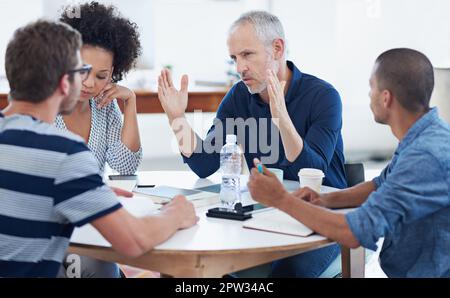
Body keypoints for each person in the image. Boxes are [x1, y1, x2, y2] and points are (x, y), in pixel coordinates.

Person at [0, 20, 198, 278]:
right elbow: (134, 241)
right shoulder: (65, 153)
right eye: (80, 71)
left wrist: (87, 189)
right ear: (64, 83)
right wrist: (175, 214)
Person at [157, 11, 346, 277]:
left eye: (247, 55)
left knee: (287, 272)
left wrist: (282, 118)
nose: (239, 68)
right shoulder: (239, 97)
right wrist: (177, 118)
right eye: (234, 58)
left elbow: (311, 172)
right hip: (266, 213)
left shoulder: (323, 96)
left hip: (323, 216)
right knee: (203, 265)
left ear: (277, 48)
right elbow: (204, 162)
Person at [247, 48, 450, 278]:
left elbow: (354, 232)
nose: (369, 95)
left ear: (386, 98)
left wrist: (280, 199)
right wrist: (324, 199)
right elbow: (379, 185)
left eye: (371, 87)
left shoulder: (426, 156)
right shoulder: (425, 135)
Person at [56, 1, 142, 175]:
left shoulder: (104, 105)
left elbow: (126, 167)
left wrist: (130, 101)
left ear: (113, 72)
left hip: (95, 201)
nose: (89, 84)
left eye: (101, 76)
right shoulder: (44, 105)